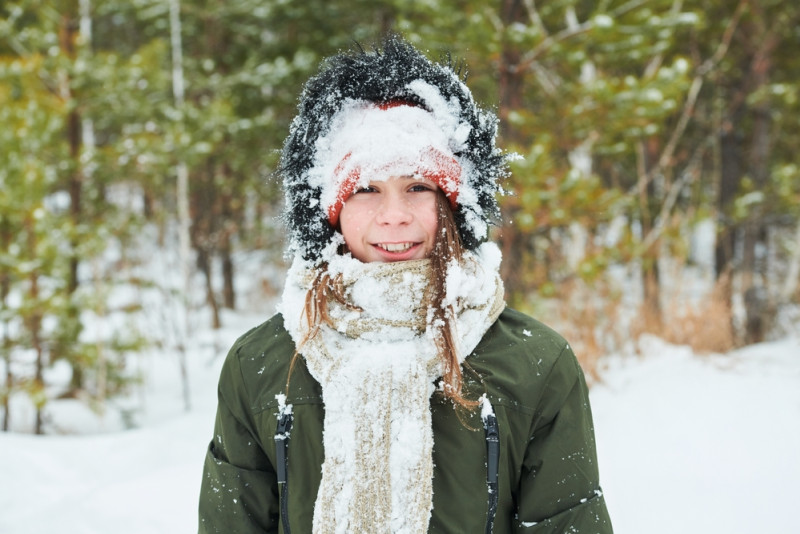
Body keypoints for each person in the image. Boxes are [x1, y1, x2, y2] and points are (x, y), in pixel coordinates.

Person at [198, 36, 613, 534]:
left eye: (419, 187)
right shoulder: (259, 366)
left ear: (456, 202)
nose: (394, 217)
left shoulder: (536, 367)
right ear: (329, 209)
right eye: (366, 189)